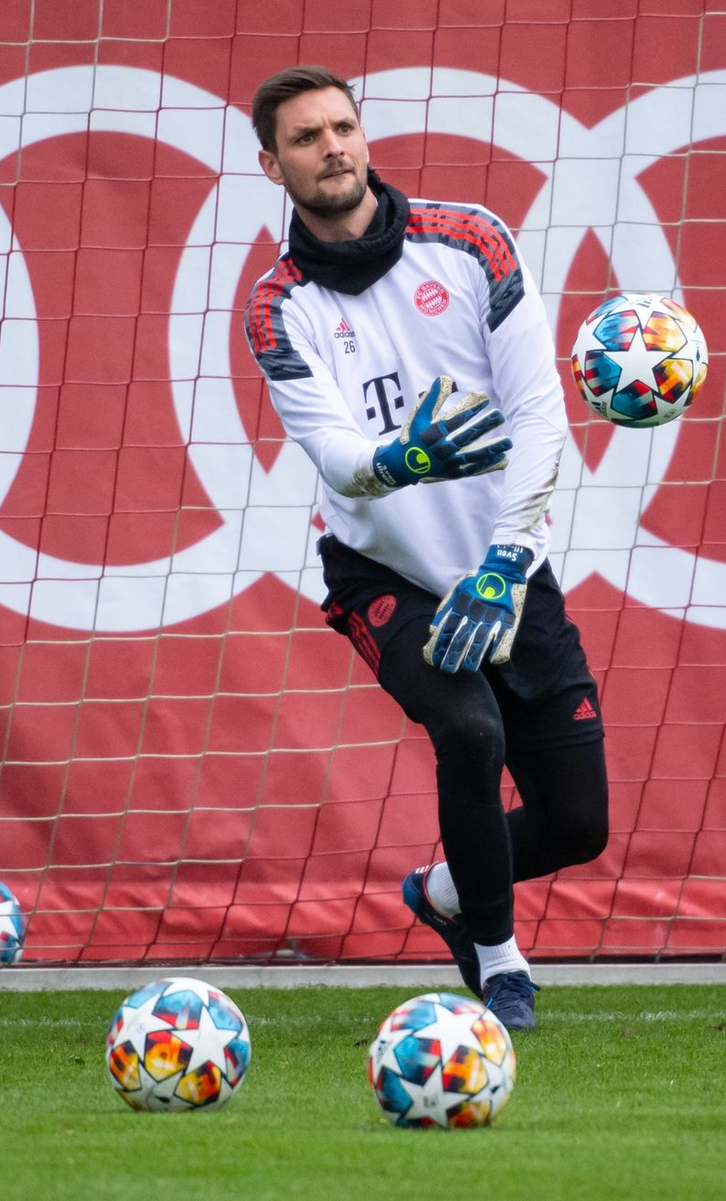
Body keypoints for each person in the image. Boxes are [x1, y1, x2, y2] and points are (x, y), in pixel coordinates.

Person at [244, 65, 609, 1029]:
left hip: (504, 560)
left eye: (342, 128)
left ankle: (447, 891)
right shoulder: (278, 305)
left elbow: (538, 411)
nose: (331, 149)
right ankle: (499, 964)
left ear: (364, 137)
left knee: (580, 823)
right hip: (381, 569)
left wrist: (506, 559)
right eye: (306, 138)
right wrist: (402, 458)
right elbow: (334, 457)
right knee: (469, 730)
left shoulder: (472, 239)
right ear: (272, 163)